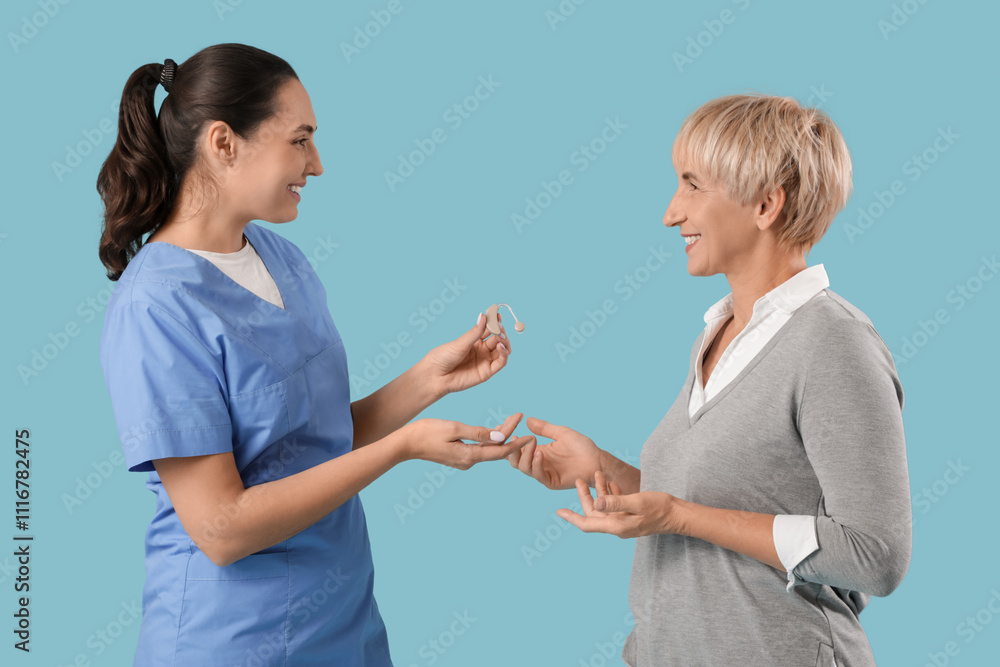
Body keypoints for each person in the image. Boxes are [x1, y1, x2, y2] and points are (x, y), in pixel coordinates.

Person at [96, 43, 531, 666]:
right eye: (300, 140)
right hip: (232, 639)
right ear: (223, 143)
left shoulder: (280, 258)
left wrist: (428, 380)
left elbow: (312, 443)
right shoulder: (156, 306)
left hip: (343, 623)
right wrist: (404, 448)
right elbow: (221, 528)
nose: (317, 165)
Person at [509, 93, 912, 666]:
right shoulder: (716, 334)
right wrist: (604, 470)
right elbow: (720, 504)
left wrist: (679, 515)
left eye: (692, 185)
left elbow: (876, 554)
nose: (671, 213)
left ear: (765, 204)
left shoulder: (834, 342)